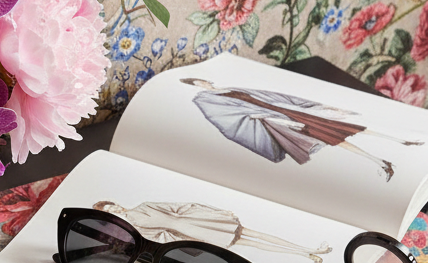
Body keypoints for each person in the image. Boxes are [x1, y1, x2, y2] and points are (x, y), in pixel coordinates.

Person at [181, 78, 424, 181]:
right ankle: (381, 161)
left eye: (202, 81)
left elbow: (269, 95)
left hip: (285, 111)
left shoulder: (228, 88)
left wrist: (310, 106)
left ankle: (402, 142)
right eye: (198, 83)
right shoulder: (208, 99)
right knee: (331, 137)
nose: (204, 83)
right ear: (195, 86)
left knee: (341, 128)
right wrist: (262, 117)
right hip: (276, 118)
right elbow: (226, 120)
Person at [94, 200, 333, 263]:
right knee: (250, 244)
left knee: (255, 234)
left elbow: (179, 207)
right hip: (194, 234)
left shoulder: (144, 206)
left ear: (115, 204)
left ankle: (307, 249)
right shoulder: (136, 229)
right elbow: (162, 237)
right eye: (110, 212)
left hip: (200, 222)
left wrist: (212, 212)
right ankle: (304, 254)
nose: (115, 210)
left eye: (112, 206)